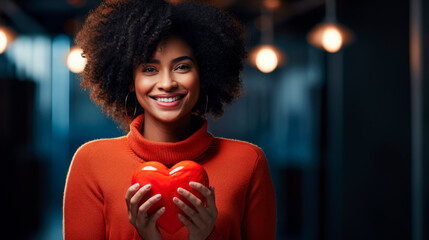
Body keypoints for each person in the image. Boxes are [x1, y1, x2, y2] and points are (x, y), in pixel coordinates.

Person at [63, 0, 276, 239]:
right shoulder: (92, 162)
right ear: (130, 80)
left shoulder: (248, 163)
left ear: (204, 75)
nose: (166, 84)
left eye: (182, 67)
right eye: (150, 69)